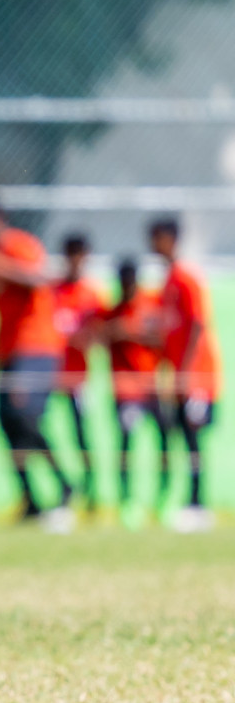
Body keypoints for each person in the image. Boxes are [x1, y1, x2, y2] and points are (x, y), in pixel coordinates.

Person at [0, 202, 74, 526]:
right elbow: (1, 317)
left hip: (38, 348)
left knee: (24, 415)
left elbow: (38, 280)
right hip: (12, 354)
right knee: (5, 421)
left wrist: (2, 266)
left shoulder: (18, 246)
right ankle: (30, 498)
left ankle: (65, 485)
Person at [148, 218, 221, 533]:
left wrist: (187, 373)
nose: (153, 244)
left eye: (157, 238)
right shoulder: (167, 283)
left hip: (196, 379)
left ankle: (198, 505)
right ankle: (185, 501)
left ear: (171, 239)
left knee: (193, 441)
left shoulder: (186, 279)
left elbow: (197, 325)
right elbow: (169, 335)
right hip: (179, 380)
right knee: (178, 439)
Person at [101, 259, 166, 515]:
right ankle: (126, 498)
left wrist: (130, 332)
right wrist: (111, 332)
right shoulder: (112, 312)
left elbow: (161, 340)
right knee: (127, 442)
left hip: (151, 385)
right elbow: (95, 338)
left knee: (164, 440)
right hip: (125, 390)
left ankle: (163, 495)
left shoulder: (149, 308)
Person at [51, 233, 107, 514]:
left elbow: (100, 335)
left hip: (77, 378)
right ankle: (60, 485)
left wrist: (85, 337)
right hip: (50, 376)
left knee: (81, 436)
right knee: (39, 429)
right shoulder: (52, 290)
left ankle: (91, 490)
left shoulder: (92, 294)